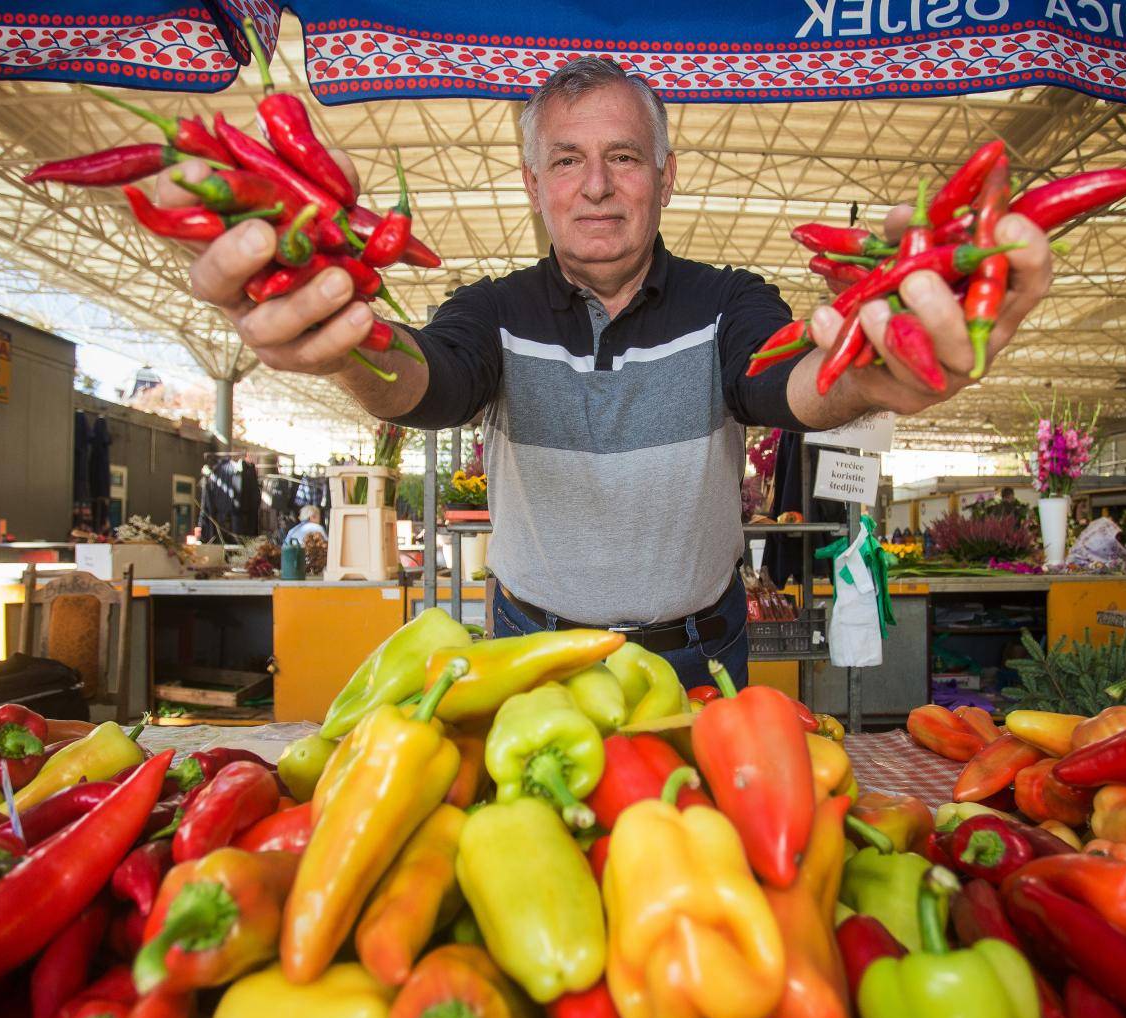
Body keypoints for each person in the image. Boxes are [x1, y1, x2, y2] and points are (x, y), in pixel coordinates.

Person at [162, 58, 1051, 688]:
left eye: (623, 157)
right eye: (567, 160)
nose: (596, 185)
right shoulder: (494, 310)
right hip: (531, 655)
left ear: (663, 179)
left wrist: (871, 377)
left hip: (700, 657)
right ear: (533, 183)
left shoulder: (725, 302)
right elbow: (431, 381)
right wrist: (348, 342)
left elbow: (782, 382)